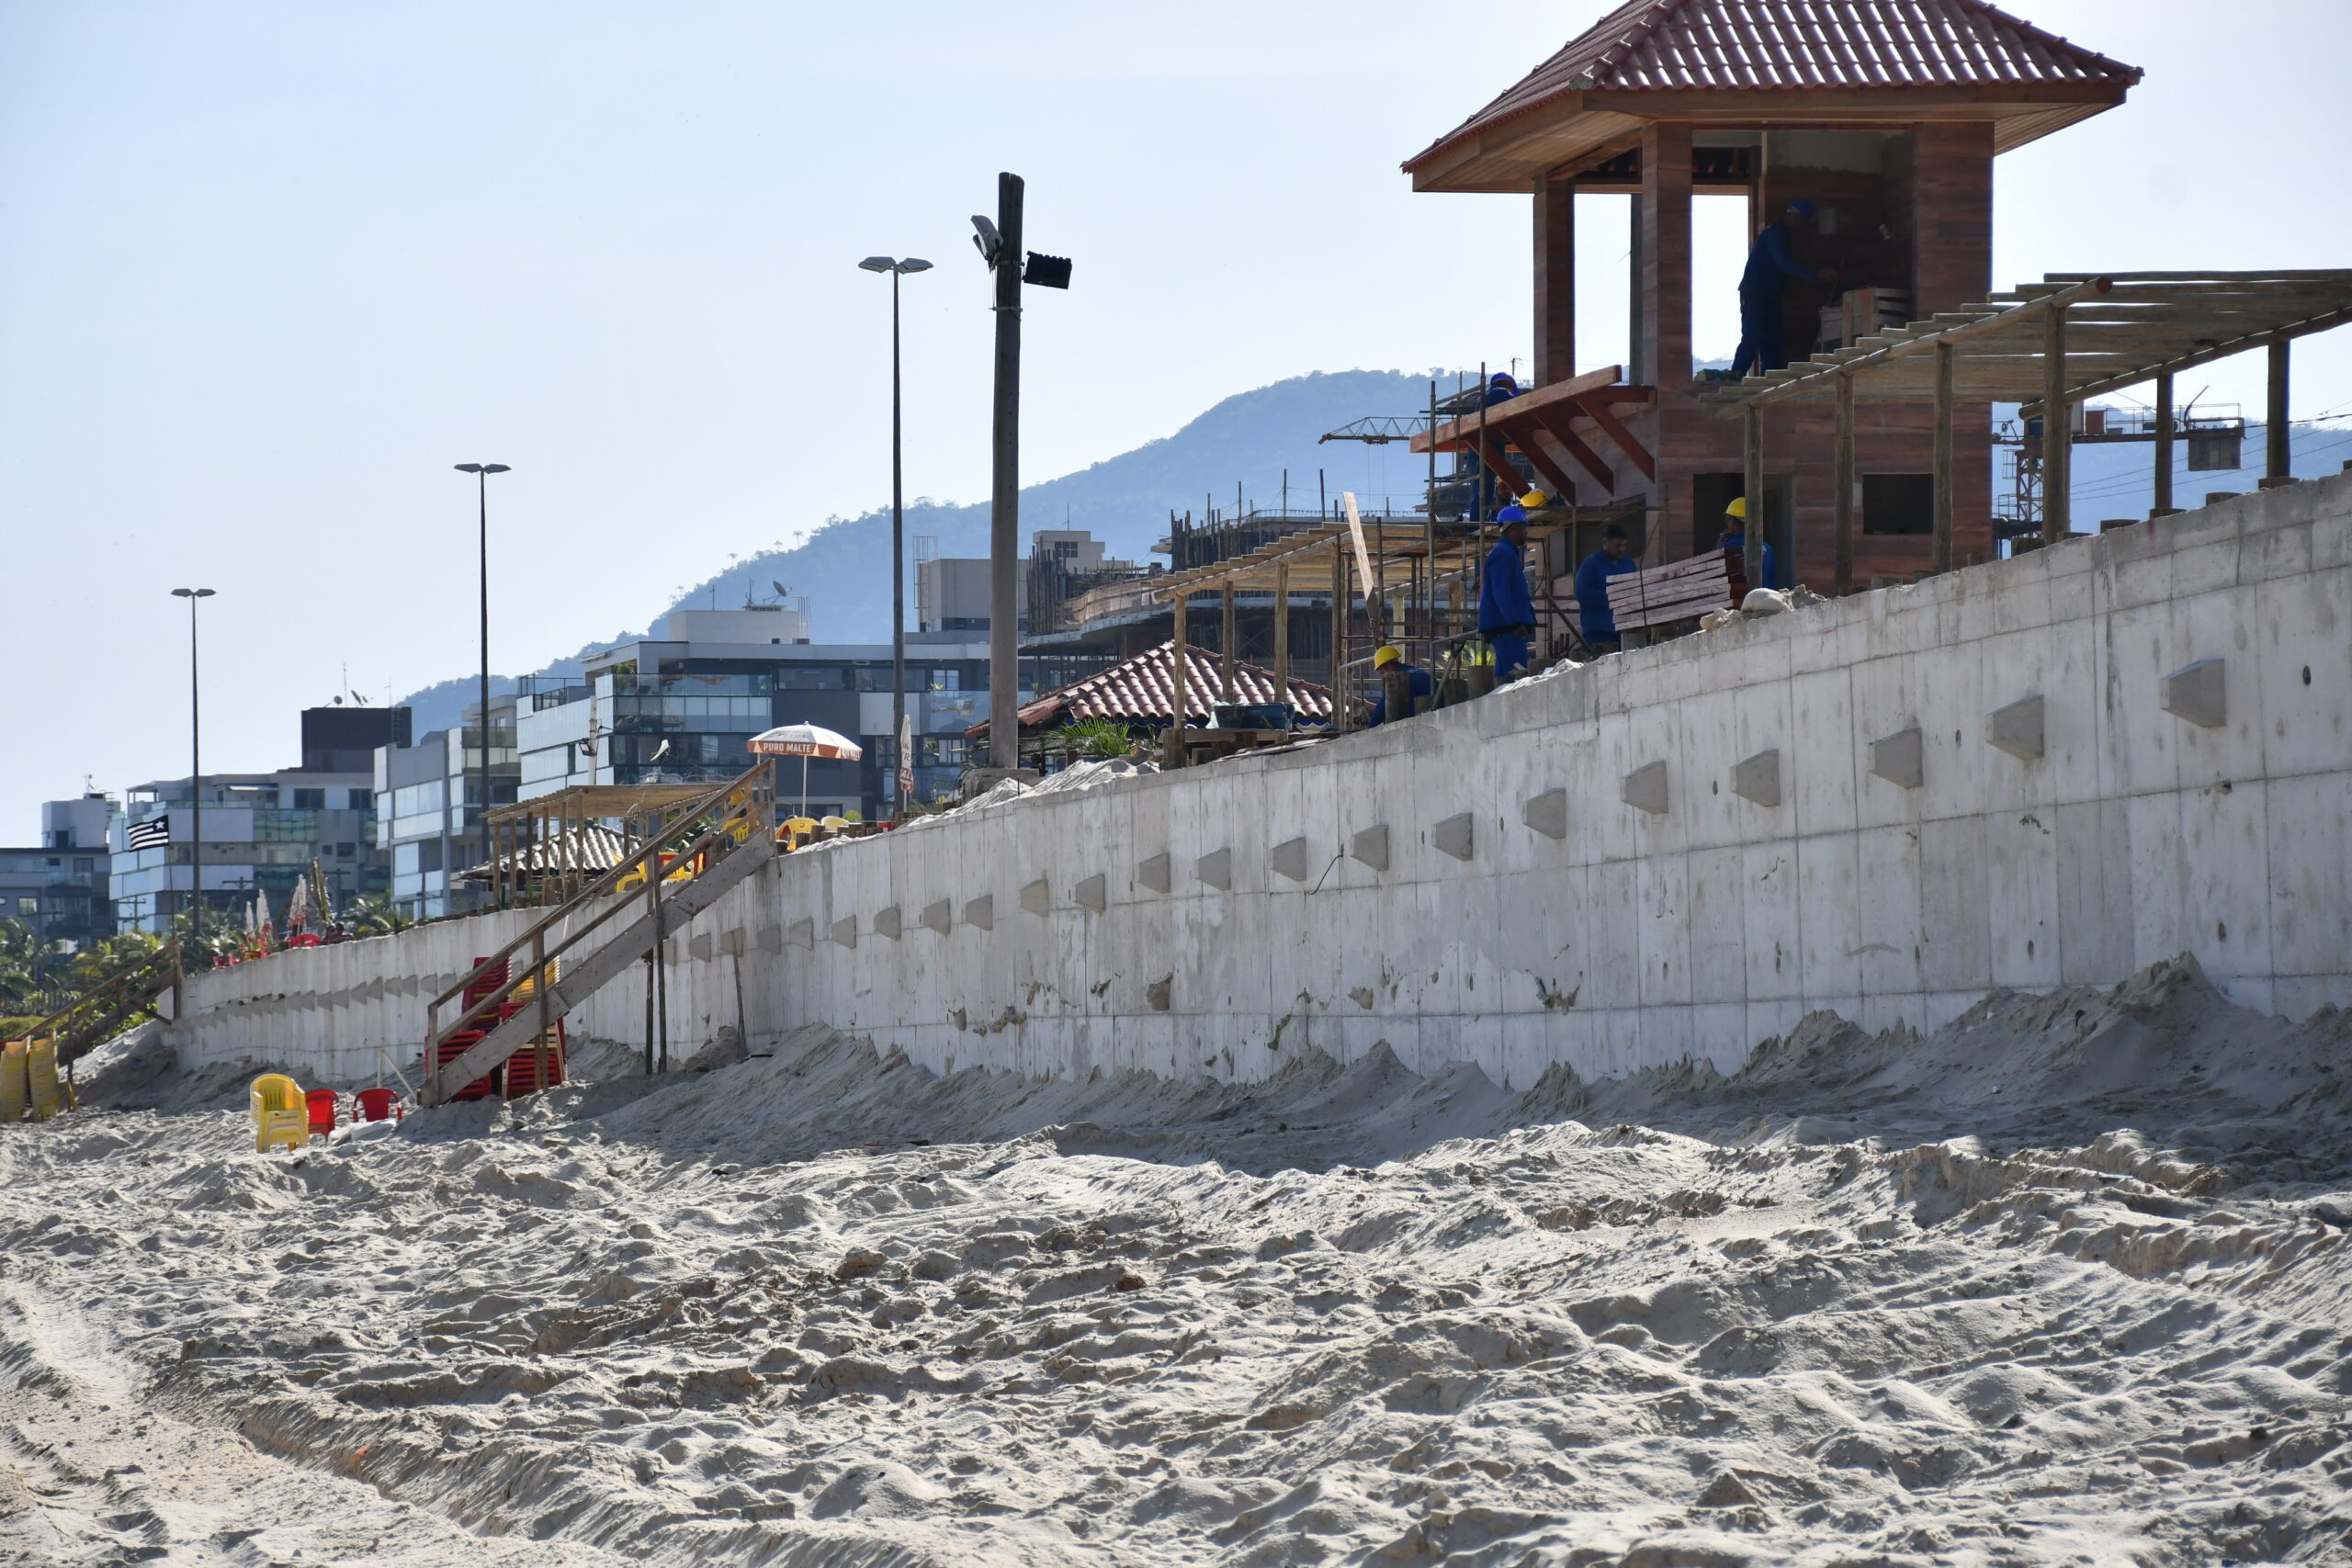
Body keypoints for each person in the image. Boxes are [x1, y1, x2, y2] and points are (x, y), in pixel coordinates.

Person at [1730, 197, 1821, 378]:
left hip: (1770, 296)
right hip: (1756, 293)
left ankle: (1767, 382)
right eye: (1801, 221)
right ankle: (1735, 376)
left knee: (1772, 342)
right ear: (1793, 216)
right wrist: (1816, 274)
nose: (1800, 226)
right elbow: (1784, 264)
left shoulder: (1782, 234)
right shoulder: (1775, 233)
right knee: (1752, 336)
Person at [1478, 507, 1536, 682]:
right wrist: (1514, 622)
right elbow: (1501, 592)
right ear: (1513, 528)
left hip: (1506, 626)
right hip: (1506, 627)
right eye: (1523, 528)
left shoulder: (1508, 553)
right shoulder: (1503, 554)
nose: (1525, 532)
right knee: (1517, 674)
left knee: (1505, 677)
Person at [1573, 524, 1639, 651]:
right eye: (1617, 545)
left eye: (1624, 545)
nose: (1621, 549)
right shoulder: (1590, 564)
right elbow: (1583, 593)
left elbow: (1635, 590)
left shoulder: (1628, 564)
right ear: (1605, 542)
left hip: (1625, 630)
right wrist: (1613, 598)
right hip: (1598, 631)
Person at [1364, 644, 1432, 727]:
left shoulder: (1400, 679)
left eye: (1382, 673)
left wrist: (1368, 731)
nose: (1383, 677)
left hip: (1424, 722)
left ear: (1390, 668)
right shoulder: (1414, 671)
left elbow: (1381, 710)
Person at [1719, 497, 1777, 589]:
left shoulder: (1725, 548)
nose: (1726, 522)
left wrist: (1719, 547)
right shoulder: (1768, 549)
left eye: (1728, 518)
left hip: (1742, 602)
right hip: (1768, 601)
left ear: (1733, 521)